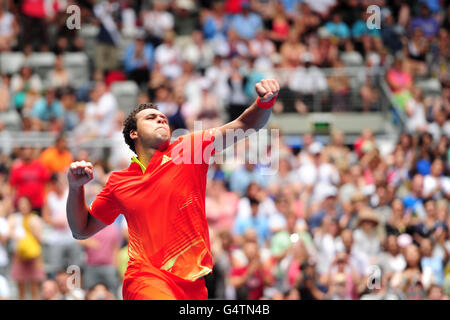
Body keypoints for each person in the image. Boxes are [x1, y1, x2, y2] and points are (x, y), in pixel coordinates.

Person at [66, 79, 280, 300]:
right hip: (145, 279)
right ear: (134, 134)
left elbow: (244, 125)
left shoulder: (189, 149)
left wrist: (265, 102)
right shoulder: (119, 182)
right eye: (151, 118)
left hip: (193, 284)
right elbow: (81, 229)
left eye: (163, 118)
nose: (160, 119)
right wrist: (75, 188)